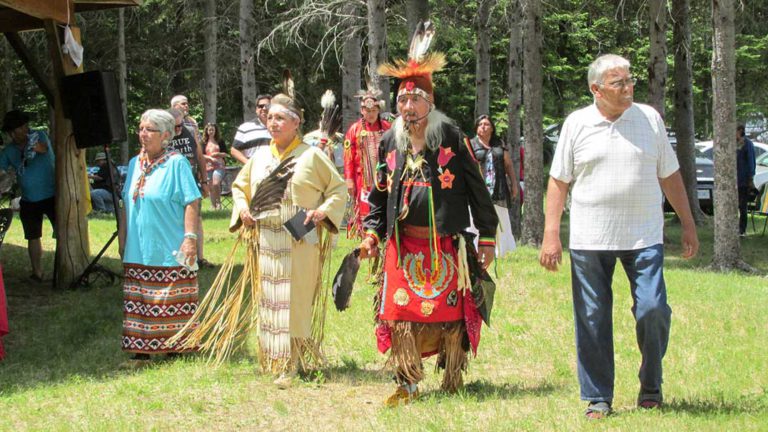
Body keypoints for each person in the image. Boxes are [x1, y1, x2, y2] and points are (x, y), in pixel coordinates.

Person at [539, 54, 699, 419]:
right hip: (590, 237)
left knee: (652, 309)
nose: (628, 88)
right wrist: (551, 234)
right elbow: (558, 180)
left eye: (630, 81)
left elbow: (670, 175)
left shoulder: (649, 119)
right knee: (593, 317)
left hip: (644, 236)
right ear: (596, 89)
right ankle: (598, 396)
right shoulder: (577, 123)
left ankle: (651, 383)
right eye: (619, 83)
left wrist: (687, 223)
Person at [358, 40, 498, 407]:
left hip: (445, 244)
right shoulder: (391, 140)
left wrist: (487, 238)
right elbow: (377, 195)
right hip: (402, 245)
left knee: (448, 315)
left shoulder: (451, 138)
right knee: (400, 313)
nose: (407, 107)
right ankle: (407, 381)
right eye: (402, 100)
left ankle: (451, 374)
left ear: (429, 103)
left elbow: (479, 192)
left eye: (415, 99)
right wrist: (372, 233)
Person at [176, 94, 347, 386]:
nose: (274, 123)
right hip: (266, 238)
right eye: (270, 118)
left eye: (280, 118)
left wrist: (322, 211)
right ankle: (273, 357)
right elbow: (241, 188)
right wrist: (242, 209)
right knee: (269, 299)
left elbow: (338, 189)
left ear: (296, 123)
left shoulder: (311, 155)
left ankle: (291, 361)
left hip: (299, 235)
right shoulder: (260, 158)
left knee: (296, 298)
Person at [118, 109, 201, 366]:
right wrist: (123, 239)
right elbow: (125, 203)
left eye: (149, 130)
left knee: (170, 296)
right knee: (139, 298)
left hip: (169, 247)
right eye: (141, 128)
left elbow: (192, 200)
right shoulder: (134, 164)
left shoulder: (177, 163)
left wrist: (190, 238)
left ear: (165, 135)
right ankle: (140, 351)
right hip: (138, 247)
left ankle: (176, 346)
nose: (143, 134)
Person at [0, 110, 55, 282]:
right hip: (29, 198)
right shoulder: (9, 151)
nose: (24, 130)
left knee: (61, 232)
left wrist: (28, 148)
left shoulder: (38, 135)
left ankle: (62, 270)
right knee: (32, 236)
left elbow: (42, 148)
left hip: (52, 194)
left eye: (23, 127)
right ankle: (37, 272)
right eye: (15, 131)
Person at [343, 88, 391, 237]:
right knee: (364, 206)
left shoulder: (387, 128)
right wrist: (349, 179)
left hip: (383, 177)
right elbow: (348, 156)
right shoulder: (355, 129)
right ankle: (366, 236)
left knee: (383, 203)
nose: (370, 114)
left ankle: (383, 232)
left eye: (373, 110)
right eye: (367, 110)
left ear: (378, 110)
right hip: (362, 179)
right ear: (362, 111)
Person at [168, 108, 213, 268]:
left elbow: (199, 156)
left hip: (191, 185)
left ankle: (198, 259)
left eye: (180, 125)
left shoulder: (190, 132)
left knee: (195, 220)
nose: (179, 129)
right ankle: (179, 262)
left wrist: (205, 182)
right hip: (171, 188)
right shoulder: (163, 137)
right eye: (175, 126)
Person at [469, 114, 520, 257]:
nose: (483, 127)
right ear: (476, 128)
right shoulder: (471, 145)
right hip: (477, 188)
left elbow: (508, 165)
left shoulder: (499, 145)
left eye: (487, 124)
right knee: (475, 218)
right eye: (480, 124)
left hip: (498, 188)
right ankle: (473, 247)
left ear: (492, 128)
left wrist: (514, 184)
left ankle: (500, 250)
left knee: (500, 217)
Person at [231, 94, 272, 164]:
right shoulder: (245, 128)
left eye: (267, 106)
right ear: (256, 110)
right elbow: (234, 150)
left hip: (275, 170)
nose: (264, 108)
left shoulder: (279, 127)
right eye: (261, 106)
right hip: (254, 172)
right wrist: (249, 165)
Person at [202, 123, 229, 210]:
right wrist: (210, 158)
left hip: (219, 165)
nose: (211, 132)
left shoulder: (220, 141)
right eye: (209, 130)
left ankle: (218, 203)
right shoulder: (203, 142)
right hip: (208, 166)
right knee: (210, 186)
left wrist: (218, 154)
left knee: (216, 183)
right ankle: (213, 205)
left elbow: (225, 154)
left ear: (215, 131)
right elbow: (201, 155)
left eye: (213, 130)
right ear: (206, 131)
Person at [736, 124, 756, 236]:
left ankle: (742, 230)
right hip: (734, 180)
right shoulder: (733, 144)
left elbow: (751, 163)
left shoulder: (747, 144)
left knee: (742, 206)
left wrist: (750, 178)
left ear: (740, 131)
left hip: (743, 180)